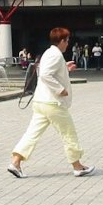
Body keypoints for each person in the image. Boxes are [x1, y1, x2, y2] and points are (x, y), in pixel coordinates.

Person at [8, 27, 95, 178]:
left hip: (41, 102)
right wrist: (60, 90)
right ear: (61, 41)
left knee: (32, 133)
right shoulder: (56, 55)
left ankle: (16, 162)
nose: (68, 43)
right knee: (69, 133)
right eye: (67, 40)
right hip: (53, 103)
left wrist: (65, 69)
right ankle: (77, 166)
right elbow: (46, 75)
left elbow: (47, 71)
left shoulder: (49, 53)